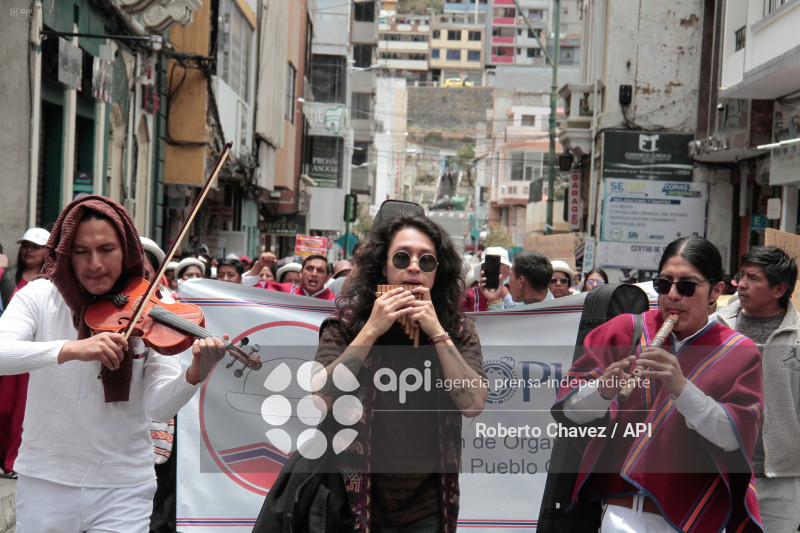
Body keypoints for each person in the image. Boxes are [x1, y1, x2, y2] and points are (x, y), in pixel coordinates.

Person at [0, 196, 227, 532]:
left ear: (127, 250)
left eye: (106, 250)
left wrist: (195, 373)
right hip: (46, 479)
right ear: (65, 253)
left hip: (124, 485)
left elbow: (159, 407)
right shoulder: (40, 295)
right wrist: (74, 349)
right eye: (81, 251)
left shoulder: (153, 308)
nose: (94, 264)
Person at [551, 236, 763, 532]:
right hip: (622, 516)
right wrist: (602, 391)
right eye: (664, 284)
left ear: (716, 291)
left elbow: (734, 438)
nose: (672, 295)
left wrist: (682, 389)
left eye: (686, 286)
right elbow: (570, 413)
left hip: (697, 521)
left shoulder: (739, 352)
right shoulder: (625, 330)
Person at [313, 215, 487, 532]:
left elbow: (473, 404)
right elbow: (321, 398)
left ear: (438, 272)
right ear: (383, 266)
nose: (414, 267)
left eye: (427, 260)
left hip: (427, 506)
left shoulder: (457, 329)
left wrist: (437, 333)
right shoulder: (346, 324)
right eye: (402, 257)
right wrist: (370, 330)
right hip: (351, 500)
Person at [715, 246, 800, 532]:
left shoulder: (798, 337)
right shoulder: (716, 328)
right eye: (742, 275)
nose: (741, 284)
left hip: (781, 480)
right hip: (718, 472)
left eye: (753, 278)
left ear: (779, 289)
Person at [0, 227, 50, 477]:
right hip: (9, 352)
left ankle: (13, 462)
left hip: (35, 356)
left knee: (22, 411)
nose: (29, 251)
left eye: (36, 247)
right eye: (26, 245)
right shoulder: (7, 276)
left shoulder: (51, 283)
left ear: (47, 252)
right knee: (3, 408)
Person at [257, 254, 334, 300]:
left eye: (320, 270)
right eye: (309, 269)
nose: (314, 274)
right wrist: (258, 265)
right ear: (301, 273)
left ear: (327, 277)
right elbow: (252, 289)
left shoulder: (334, 304)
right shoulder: (285, 291)